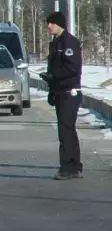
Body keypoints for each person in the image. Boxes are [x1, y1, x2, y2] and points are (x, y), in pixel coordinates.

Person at [42, 11, 83, 180]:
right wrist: (51, 87)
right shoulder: (55, 43)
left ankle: (68, 168)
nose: (49, 26)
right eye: (48, 23)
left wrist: (55, 76)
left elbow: (73, 68)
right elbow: (54, 67)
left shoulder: (69, 42)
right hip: (60, 91)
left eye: (51, 23)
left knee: (66, 131)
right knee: (67, 130)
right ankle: (74, 166)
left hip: (69, 92)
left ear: (60, 24)